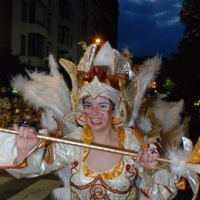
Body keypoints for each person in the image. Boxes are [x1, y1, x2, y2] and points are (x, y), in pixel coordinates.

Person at [0, 42, 178, 199]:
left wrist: (150, 169)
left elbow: (162, 193)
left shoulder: (133, 142)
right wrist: (24, 151)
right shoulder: (74, 142)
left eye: (102, 106)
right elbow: (36, 166)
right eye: (88, 105)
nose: (94, 113)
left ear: (115, 109)